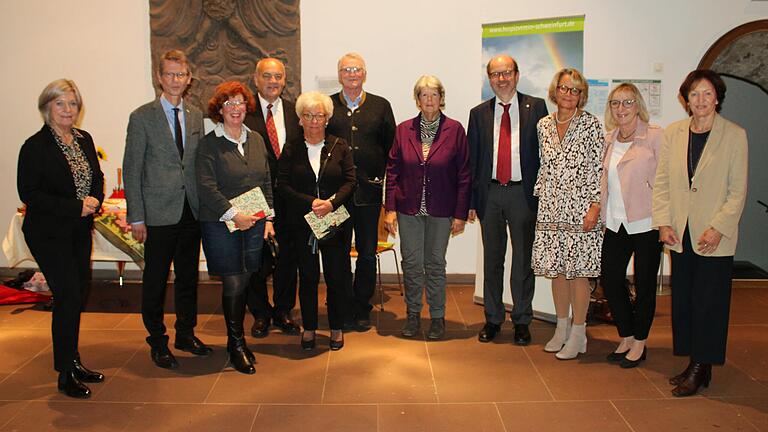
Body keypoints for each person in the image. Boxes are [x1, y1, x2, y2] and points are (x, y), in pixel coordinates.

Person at [653, 69, 748, 397]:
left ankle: (700, 366)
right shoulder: (675, 133)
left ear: (717, 97)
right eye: (694, 94)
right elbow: (663, 181)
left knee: (710, 303)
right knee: (685, 302)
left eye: (707, 94)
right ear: (686, 100)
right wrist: (664, 222)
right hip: (680, 234)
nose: (701, 100)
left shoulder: (735, 135)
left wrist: (718, 228)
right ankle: (696, 362)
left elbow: (737, 191)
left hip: (713, 236)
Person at [17, 79, 105, 398]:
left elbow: (97, 177)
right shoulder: (35, 146)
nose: (68, 110)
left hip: (78, 230)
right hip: (48, 233)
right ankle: (65, 372)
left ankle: (73, 360)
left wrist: (95, 199)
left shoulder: (84, 139)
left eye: (72, 104)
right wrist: (75, 206)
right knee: (67, 294)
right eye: (60, 103)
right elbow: (29, 194)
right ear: (46, 108)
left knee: (78, 292)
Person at [123, 49, 210, 370]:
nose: (176, 80)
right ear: (159, 77)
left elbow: (198, 163)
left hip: (191, 211)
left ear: (189, 79)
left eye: (181, 75)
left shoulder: (197, 114)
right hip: (157, 213)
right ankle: (157, 340)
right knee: (156, 279)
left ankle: (185, 333)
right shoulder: (142, 116)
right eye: (170, 74)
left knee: (188, 276)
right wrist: (136, 215)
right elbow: (131, 168)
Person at [468, 55, 548, 346]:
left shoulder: (536, 107)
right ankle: (492, 318)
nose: (501, 79)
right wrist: (471, 201)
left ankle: (522, 320)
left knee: (523, 260)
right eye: (495, 74)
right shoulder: (478, 113)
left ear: (517, 74)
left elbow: (545, 153)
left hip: (522, 193)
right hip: (489, 194)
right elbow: (472, 159)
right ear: (489, 78)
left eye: (507, 73)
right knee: (493, 259)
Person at [384, 75, 471, 341]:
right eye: (424, 95)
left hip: (441, 210)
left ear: (441, 98)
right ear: (417, 99)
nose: (429, 100)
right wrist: (389, 208)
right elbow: (393, 170)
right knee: (411, 264)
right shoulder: (403, 129)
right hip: (408, 209)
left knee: (434, 265)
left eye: (434, 95)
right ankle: (412, 316)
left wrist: (460, 214)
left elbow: (464, 174)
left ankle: (437, 318)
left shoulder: (455, 129)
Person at [196, 81, 275, 374]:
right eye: (228, 104)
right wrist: (233, 215)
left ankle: (237, 341)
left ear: (246, 107)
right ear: (219, 109)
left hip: (254, 221)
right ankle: (236, 343)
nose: (235, 109)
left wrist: (268, 218)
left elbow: (265, 179)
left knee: (247, 278)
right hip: (220, 223)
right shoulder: (209, 144)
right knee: (233, 282)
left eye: (240, 103)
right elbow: (206, 186)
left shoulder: (255, 139)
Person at [533, 68, 605, 360]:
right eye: (564, 88)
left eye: (575, 90)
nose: (568, 94)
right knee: (558, 271)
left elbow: (598, 167)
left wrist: (595, 207)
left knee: (579, 273)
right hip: (551, 206)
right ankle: (561, 328)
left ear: (582, 95)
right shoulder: (543, 125)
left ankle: (579, 332)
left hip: (581, 208)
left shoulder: (591, 125)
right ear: (555, 91)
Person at [277, 91, 356, 351]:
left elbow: (350, 181)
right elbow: (283, 185)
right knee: (308, 277)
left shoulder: (339, 145)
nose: (313, 120)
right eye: (308, 115)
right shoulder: (291, 148)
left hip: (334, 223)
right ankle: (309, 327)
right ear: (300, 119)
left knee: (336, 277)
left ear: (327, 118)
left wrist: (331, 203)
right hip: (302, 225)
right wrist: (309, 202)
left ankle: (336, 327)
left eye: (319, 115)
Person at [326, 52, 396, 329]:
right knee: (338, 253)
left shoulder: (381, 106)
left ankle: (362, 305)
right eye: (346, 69)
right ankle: (341, 304)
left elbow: (393, 151)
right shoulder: (327, 106)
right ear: (339, 74)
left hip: (369, 195)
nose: (352, 74)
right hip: (336, 198)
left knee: (367, 253)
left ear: (364, 74)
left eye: (357, 69)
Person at [599, 84, 663, 368]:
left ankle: (639, 341)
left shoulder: (654, 137)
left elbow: (665, 182)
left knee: (645, 284)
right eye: (615, 103)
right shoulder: (608, 139)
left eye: (627, 103)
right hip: (616, 222)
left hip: (647, 222)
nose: (621, 109)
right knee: (611, 280)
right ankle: (625, 334)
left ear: (637, 105)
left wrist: (664, 221)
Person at [243, 57, 302, 338]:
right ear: (256, 79)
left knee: (289, 256)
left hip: (289, 198)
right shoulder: (243, 111)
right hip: (253, 196)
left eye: (278, 76)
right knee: (256, 258)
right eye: (267, 76)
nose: (273, 81)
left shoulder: (295, 112)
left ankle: (282, 310)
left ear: (284, 80)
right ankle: (260, 313)